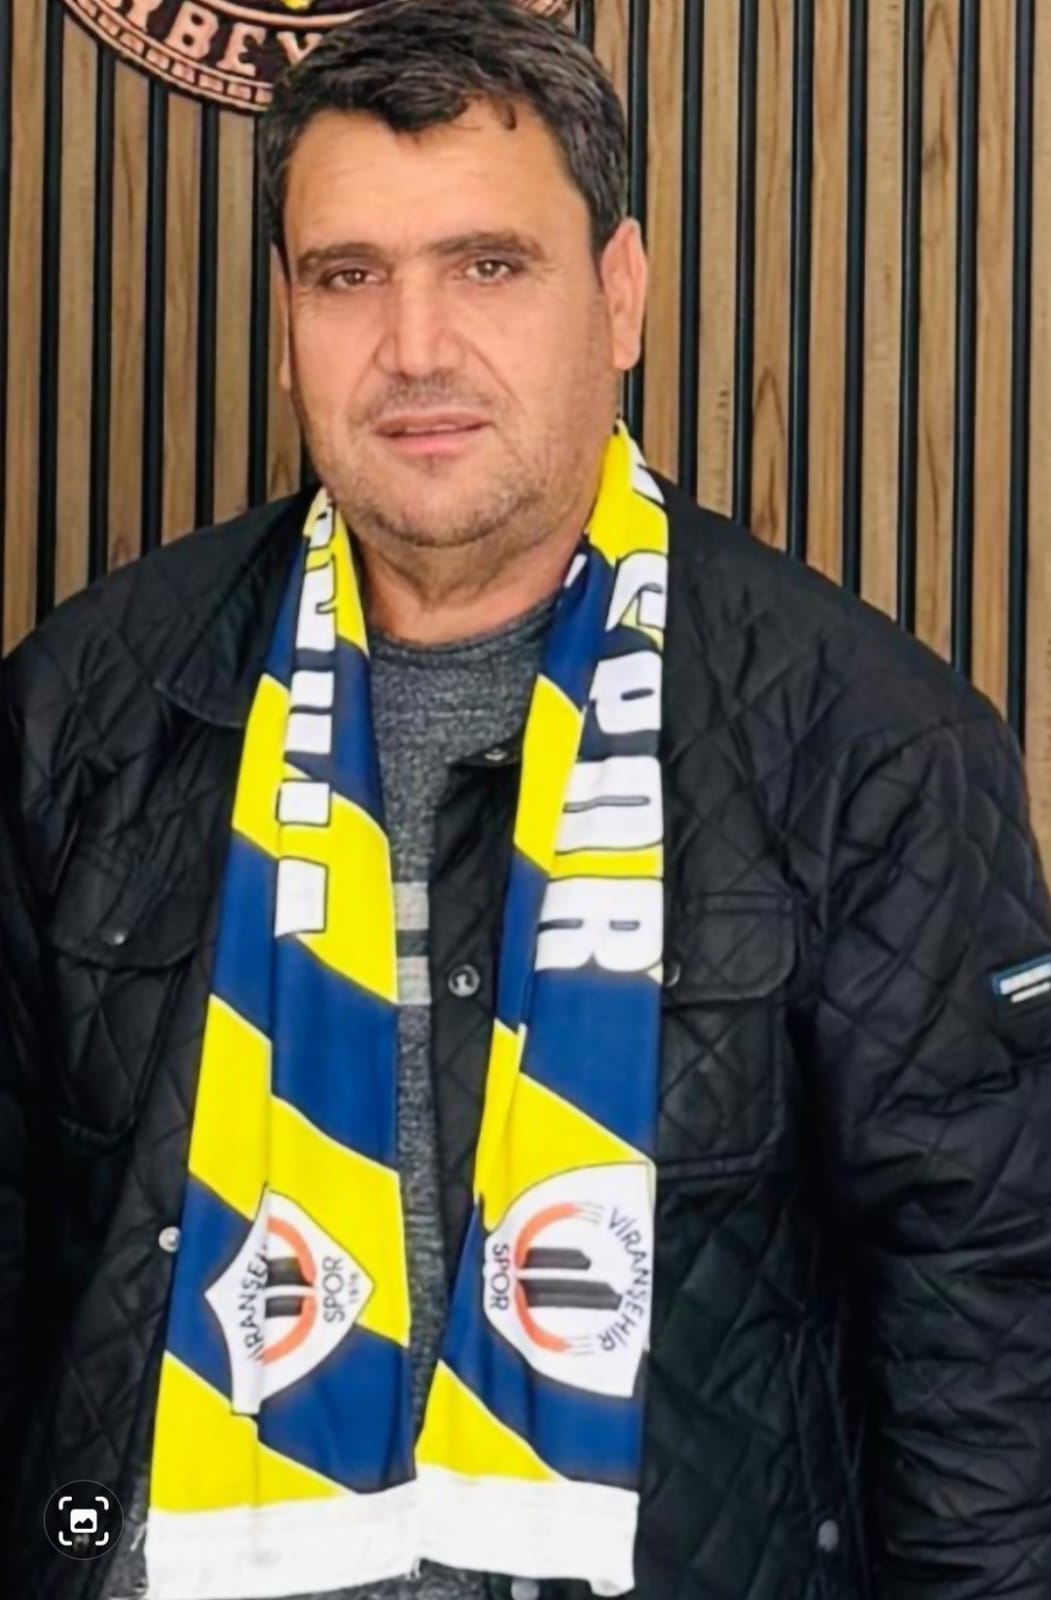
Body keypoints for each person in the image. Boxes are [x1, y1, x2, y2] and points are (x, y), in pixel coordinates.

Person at [2, 0, 1051, 1596]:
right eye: (347, 277)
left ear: (619, 294)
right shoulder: (79, 717)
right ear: (285, 320)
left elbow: (988, 1349)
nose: (416, 346)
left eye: (489, 265)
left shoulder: (868, 745)